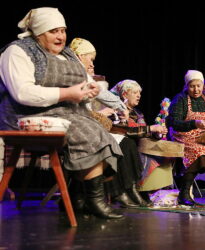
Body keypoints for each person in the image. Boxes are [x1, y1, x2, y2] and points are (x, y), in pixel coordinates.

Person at [0, 7, 124, 219]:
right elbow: (23, 92)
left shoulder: (68, 54)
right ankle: (94, 200)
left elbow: (88, 82)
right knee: (88, 133)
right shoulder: (18, 51)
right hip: (26, 116)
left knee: (103, 134)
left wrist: (91, 89)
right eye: (53, 31)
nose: (60, 36)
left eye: (63, 30)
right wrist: (67, 93)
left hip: (68, 114)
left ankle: (79, 197)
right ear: (39, 33)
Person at [69, 38, 152, 208]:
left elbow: (99, 93)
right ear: (80, 56)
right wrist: (108, 111)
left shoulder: (82, 74)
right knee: (113, 144)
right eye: (90, 60)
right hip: (78, 124)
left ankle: (129, 189)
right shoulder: (72, 71)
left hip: (91, 124)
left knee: (127, 144)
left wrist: (118, 107)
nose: (92, 65)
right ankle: (116, 192)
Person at [167, 70, 205, 207]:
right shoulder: (180, 99)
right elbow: (173, 122)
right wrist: (194, 123)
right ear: (187, 86)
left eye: (198, 86)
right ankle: (184, 193)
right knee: (195, 151)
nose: (196, 89)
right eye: (192, 86)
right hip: (184, 136)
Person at [109, 79, 168, 205]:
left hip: (137, 145)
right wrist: (150, 129)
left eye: (139, 93)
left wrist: (156, 133)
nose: (139, 95)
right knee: (139, 153)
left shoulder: (137, 113)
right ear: (124, 94)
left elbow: (144, 132)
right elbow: (124, 131)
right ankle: (133, 190)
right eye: (135, 92)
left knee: (161, 155)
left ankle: (142, 191)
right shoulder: (116, 110)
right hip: (120, 145)